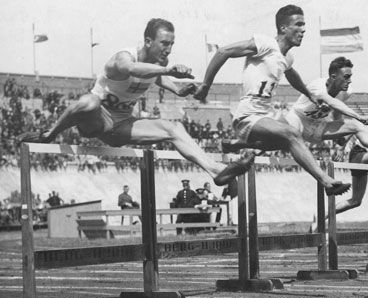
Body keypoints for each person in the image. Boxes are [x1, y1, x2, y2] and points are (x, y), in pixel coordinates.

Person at [19, 18, 252, 187]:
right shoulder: (123, 58)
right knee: (89, 101)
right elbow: (133, 70)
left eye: (172, 44)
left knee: (174, 128)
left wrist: (181, 89)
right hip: (97, 120)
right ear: (148, 41)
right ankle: (50, 133)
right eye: (163, 43)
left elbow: (158, 77)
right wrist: (168, 68)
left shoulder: (157, 65)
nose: (168, 49)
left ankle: (216, 171)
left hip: (123, 125)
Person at [193, 4, 350, 196]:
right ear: (283, 28)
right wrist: (205, 86)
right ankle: (326, 182)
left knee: (287, 142)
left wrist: (311, 96)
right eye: (298, 25)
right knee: (292, 134)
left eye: (304, 25)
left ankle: (230, 164)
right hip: (248, 115)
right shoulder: (265, 44)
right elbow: (223, 52)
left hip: (264, 115)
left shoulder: (286, 57)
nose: (303, 29)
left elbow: (292, 76)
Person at [282, 56, 368, 166]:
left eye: (350, 77)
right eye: (346, 77)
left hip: (317, 126)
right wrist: (358, 116)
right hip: (298, 120)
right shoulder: (318, 86)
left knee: (357, 126)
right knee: (289, 134)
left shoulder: (347, 92)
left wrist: (340, 138)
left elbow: (337, 112)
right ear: (333, 76)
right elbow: (332, 102)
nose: (349, 81)